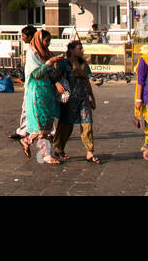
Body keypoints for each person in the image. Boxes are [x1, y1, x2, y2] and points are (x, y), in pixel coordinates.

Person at [21, 29, 63, 164]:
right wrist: (49, 63)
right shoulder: (33, 53)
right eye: (46, 41)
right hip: (36, 91)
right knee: (41, 124)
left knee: (45, 123)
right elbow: (36, 74)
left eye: (49, 41)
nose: (47, 44)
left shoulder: (43, 53)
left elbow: (50, 71)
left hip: (46, 90)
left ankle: (27, 141)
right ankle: (45, 155)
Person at [54, 39, 100, 163]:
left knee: (87, 124)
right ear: (71, 50)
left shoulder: (84, 64)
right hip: (69, 100)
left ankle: (90, 152)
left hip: (83, 99)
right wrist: (57, 84)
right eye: (79, 48)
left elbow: (86, 81)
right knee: (66, 125)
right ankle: (59, 149)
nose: (82, 50)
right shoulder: (64, 64)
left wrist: (92, 96)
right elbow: (54, 76)